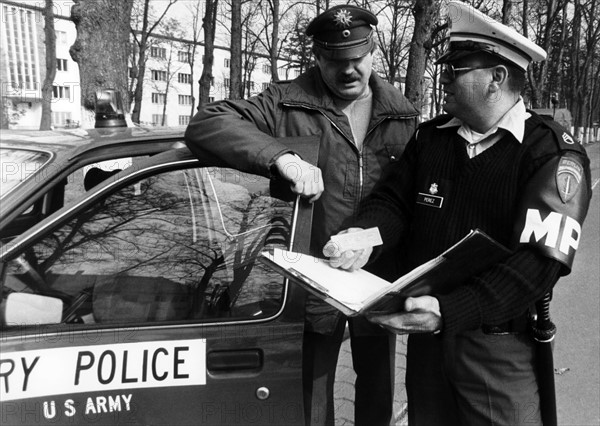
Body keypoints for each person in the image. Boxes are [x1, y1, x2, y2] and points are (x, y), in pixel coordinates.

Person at [324, 2, 592, 425]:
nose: (443, 77)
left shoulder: (553, 155)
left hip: (496, 348)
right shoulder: (432, 138)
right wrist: (365, 234)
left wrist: (450, 312)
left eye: (457, 69)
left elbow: (538, 264)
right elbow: (393, 201)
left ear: (496, 78)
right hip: (427, 341)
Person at [185, 5, 419, 425]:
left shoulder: (403, 115)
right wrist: (282, 156)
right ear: (316, 56)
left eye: (357, 60)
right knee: (312, 400)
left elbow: (406, 198)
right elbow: (208, 123)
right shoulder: (285, 102)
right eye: (335, 61)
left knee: (377, 396)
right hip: (310, 278)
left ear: (373, 52)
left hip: (376, 277)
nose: (348, 71)